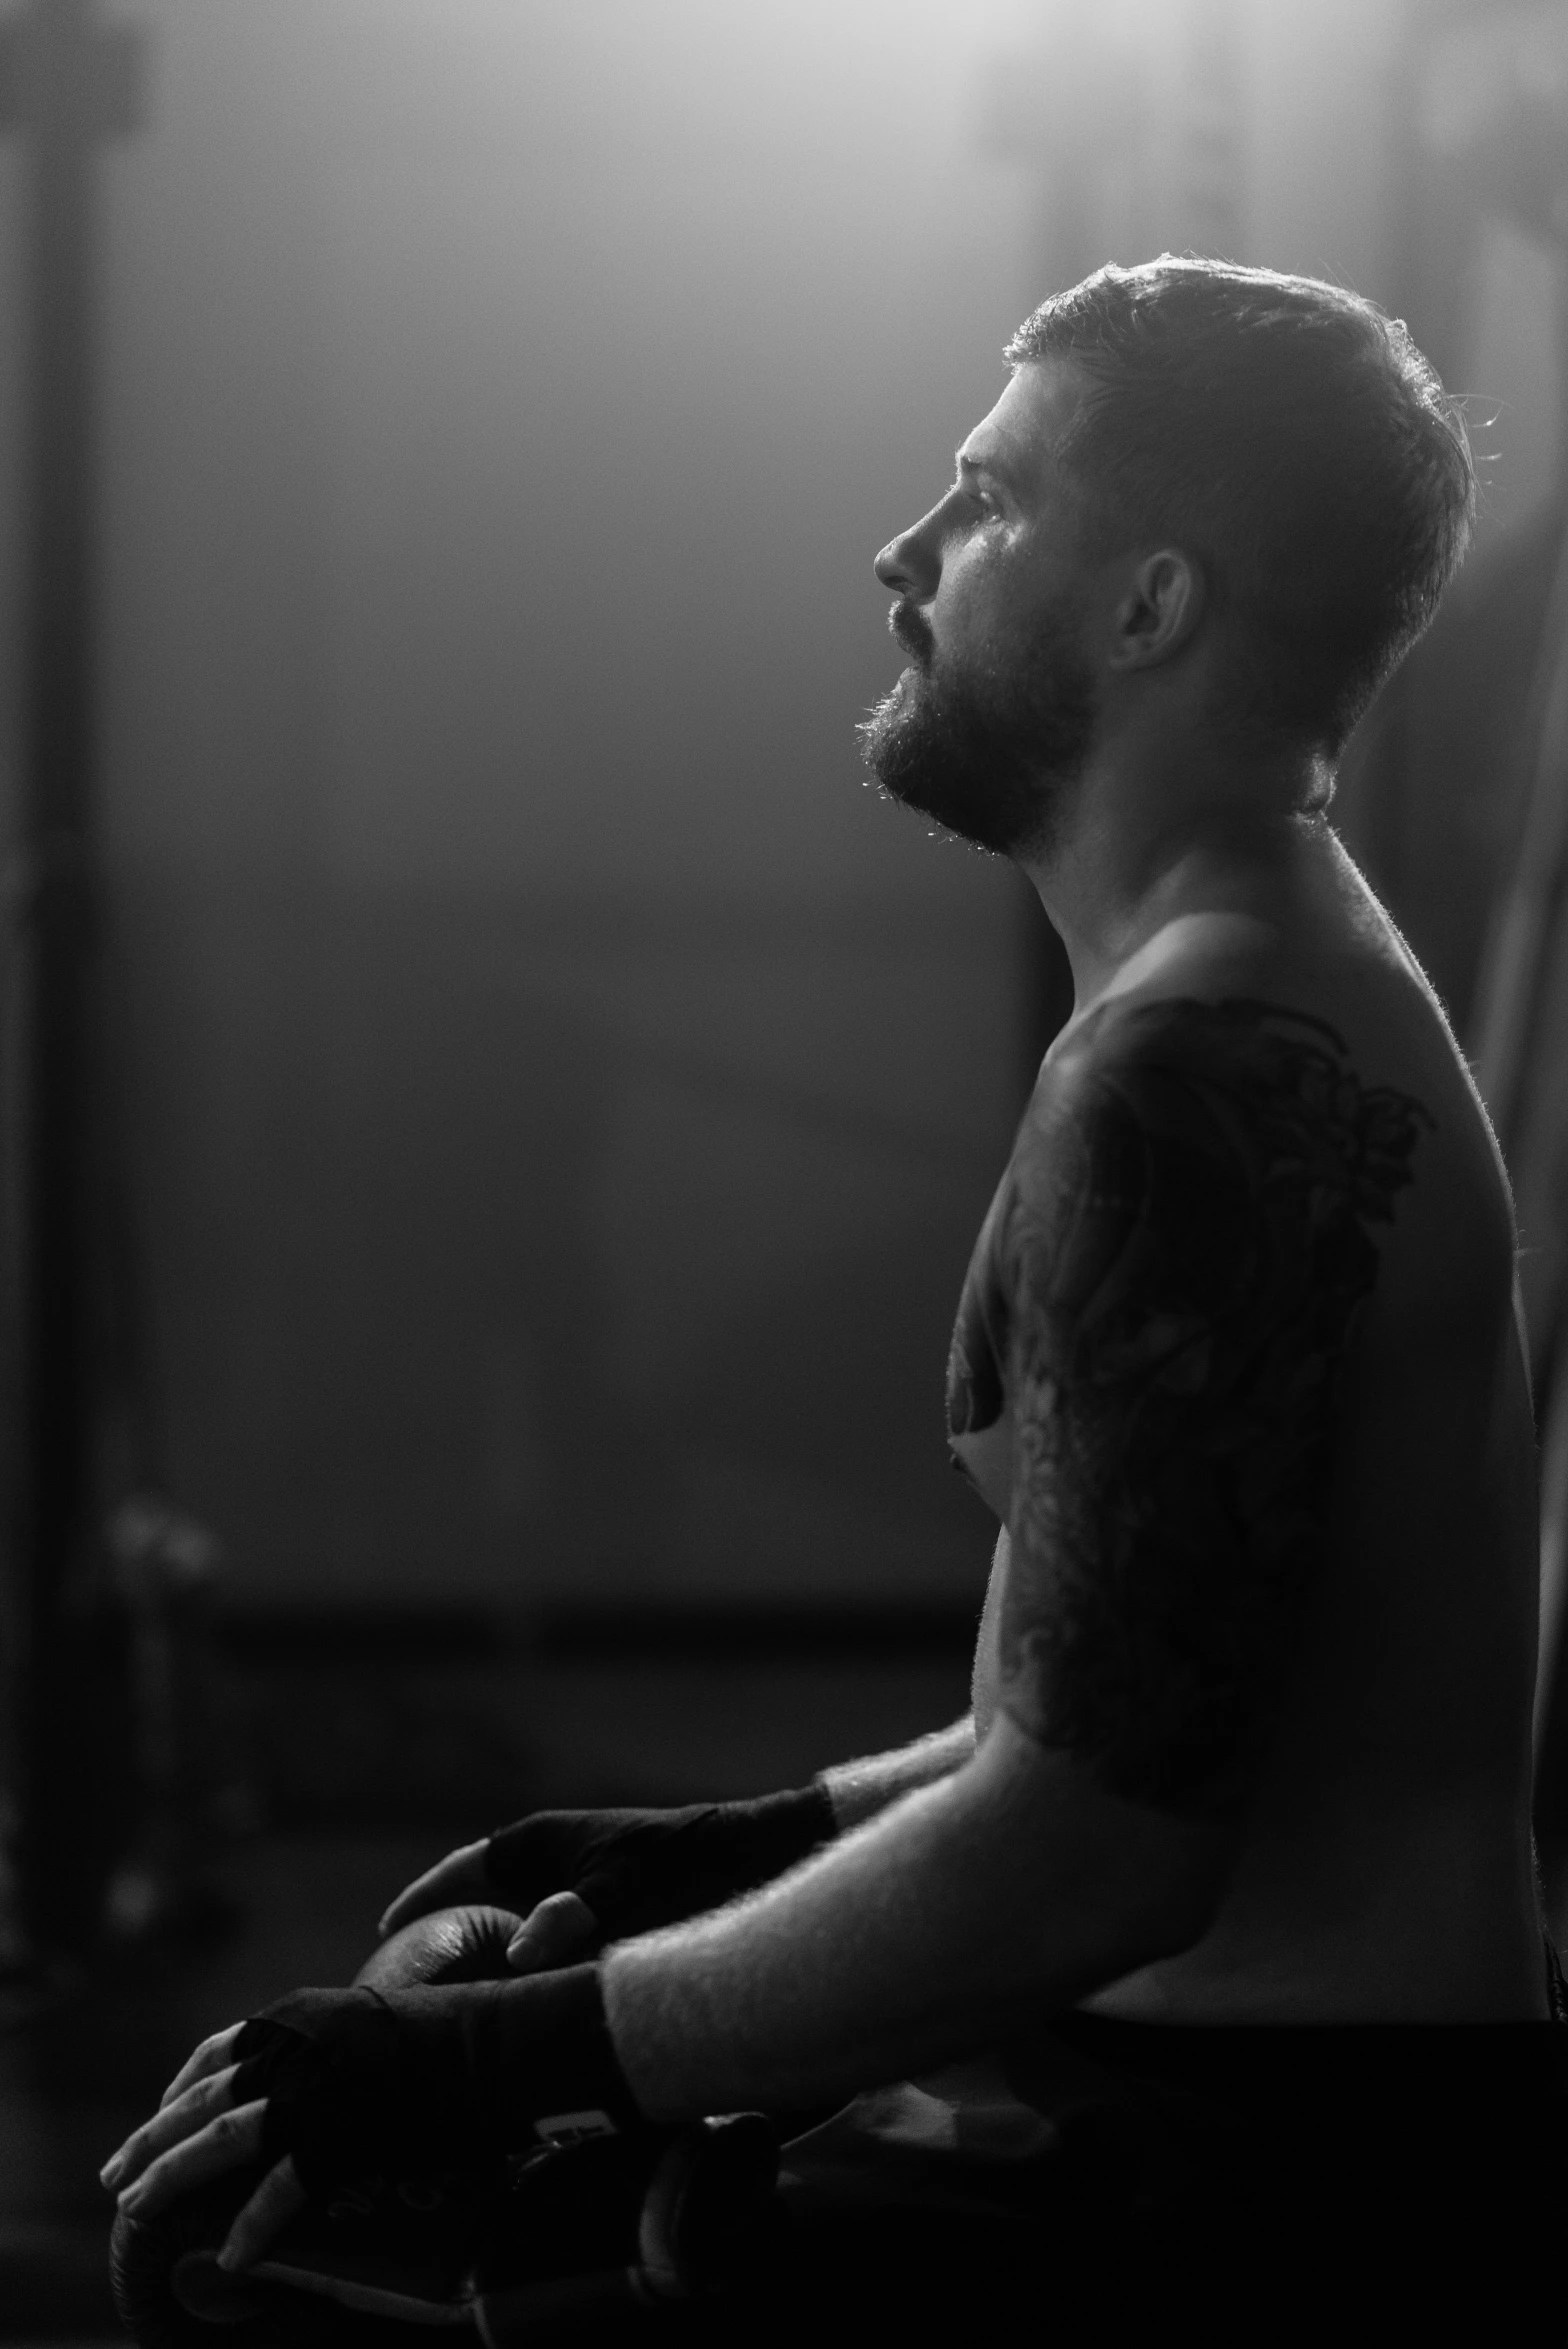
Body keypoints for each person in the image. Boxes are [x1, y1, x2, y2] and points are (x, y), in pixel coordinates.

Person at [101, 258, 1566, 2335]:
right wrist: (710, 1845)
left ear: (1148, 605)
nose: (904, 547)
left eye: (983, 497)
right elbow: (1099, 1716)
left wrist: (500, 2054)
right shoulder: (1233, 989)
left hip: (1274, 2183)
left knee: (256, 2269)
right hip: (1207, 2098)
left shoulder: (1205, 1071)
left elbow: (1096, 1847)